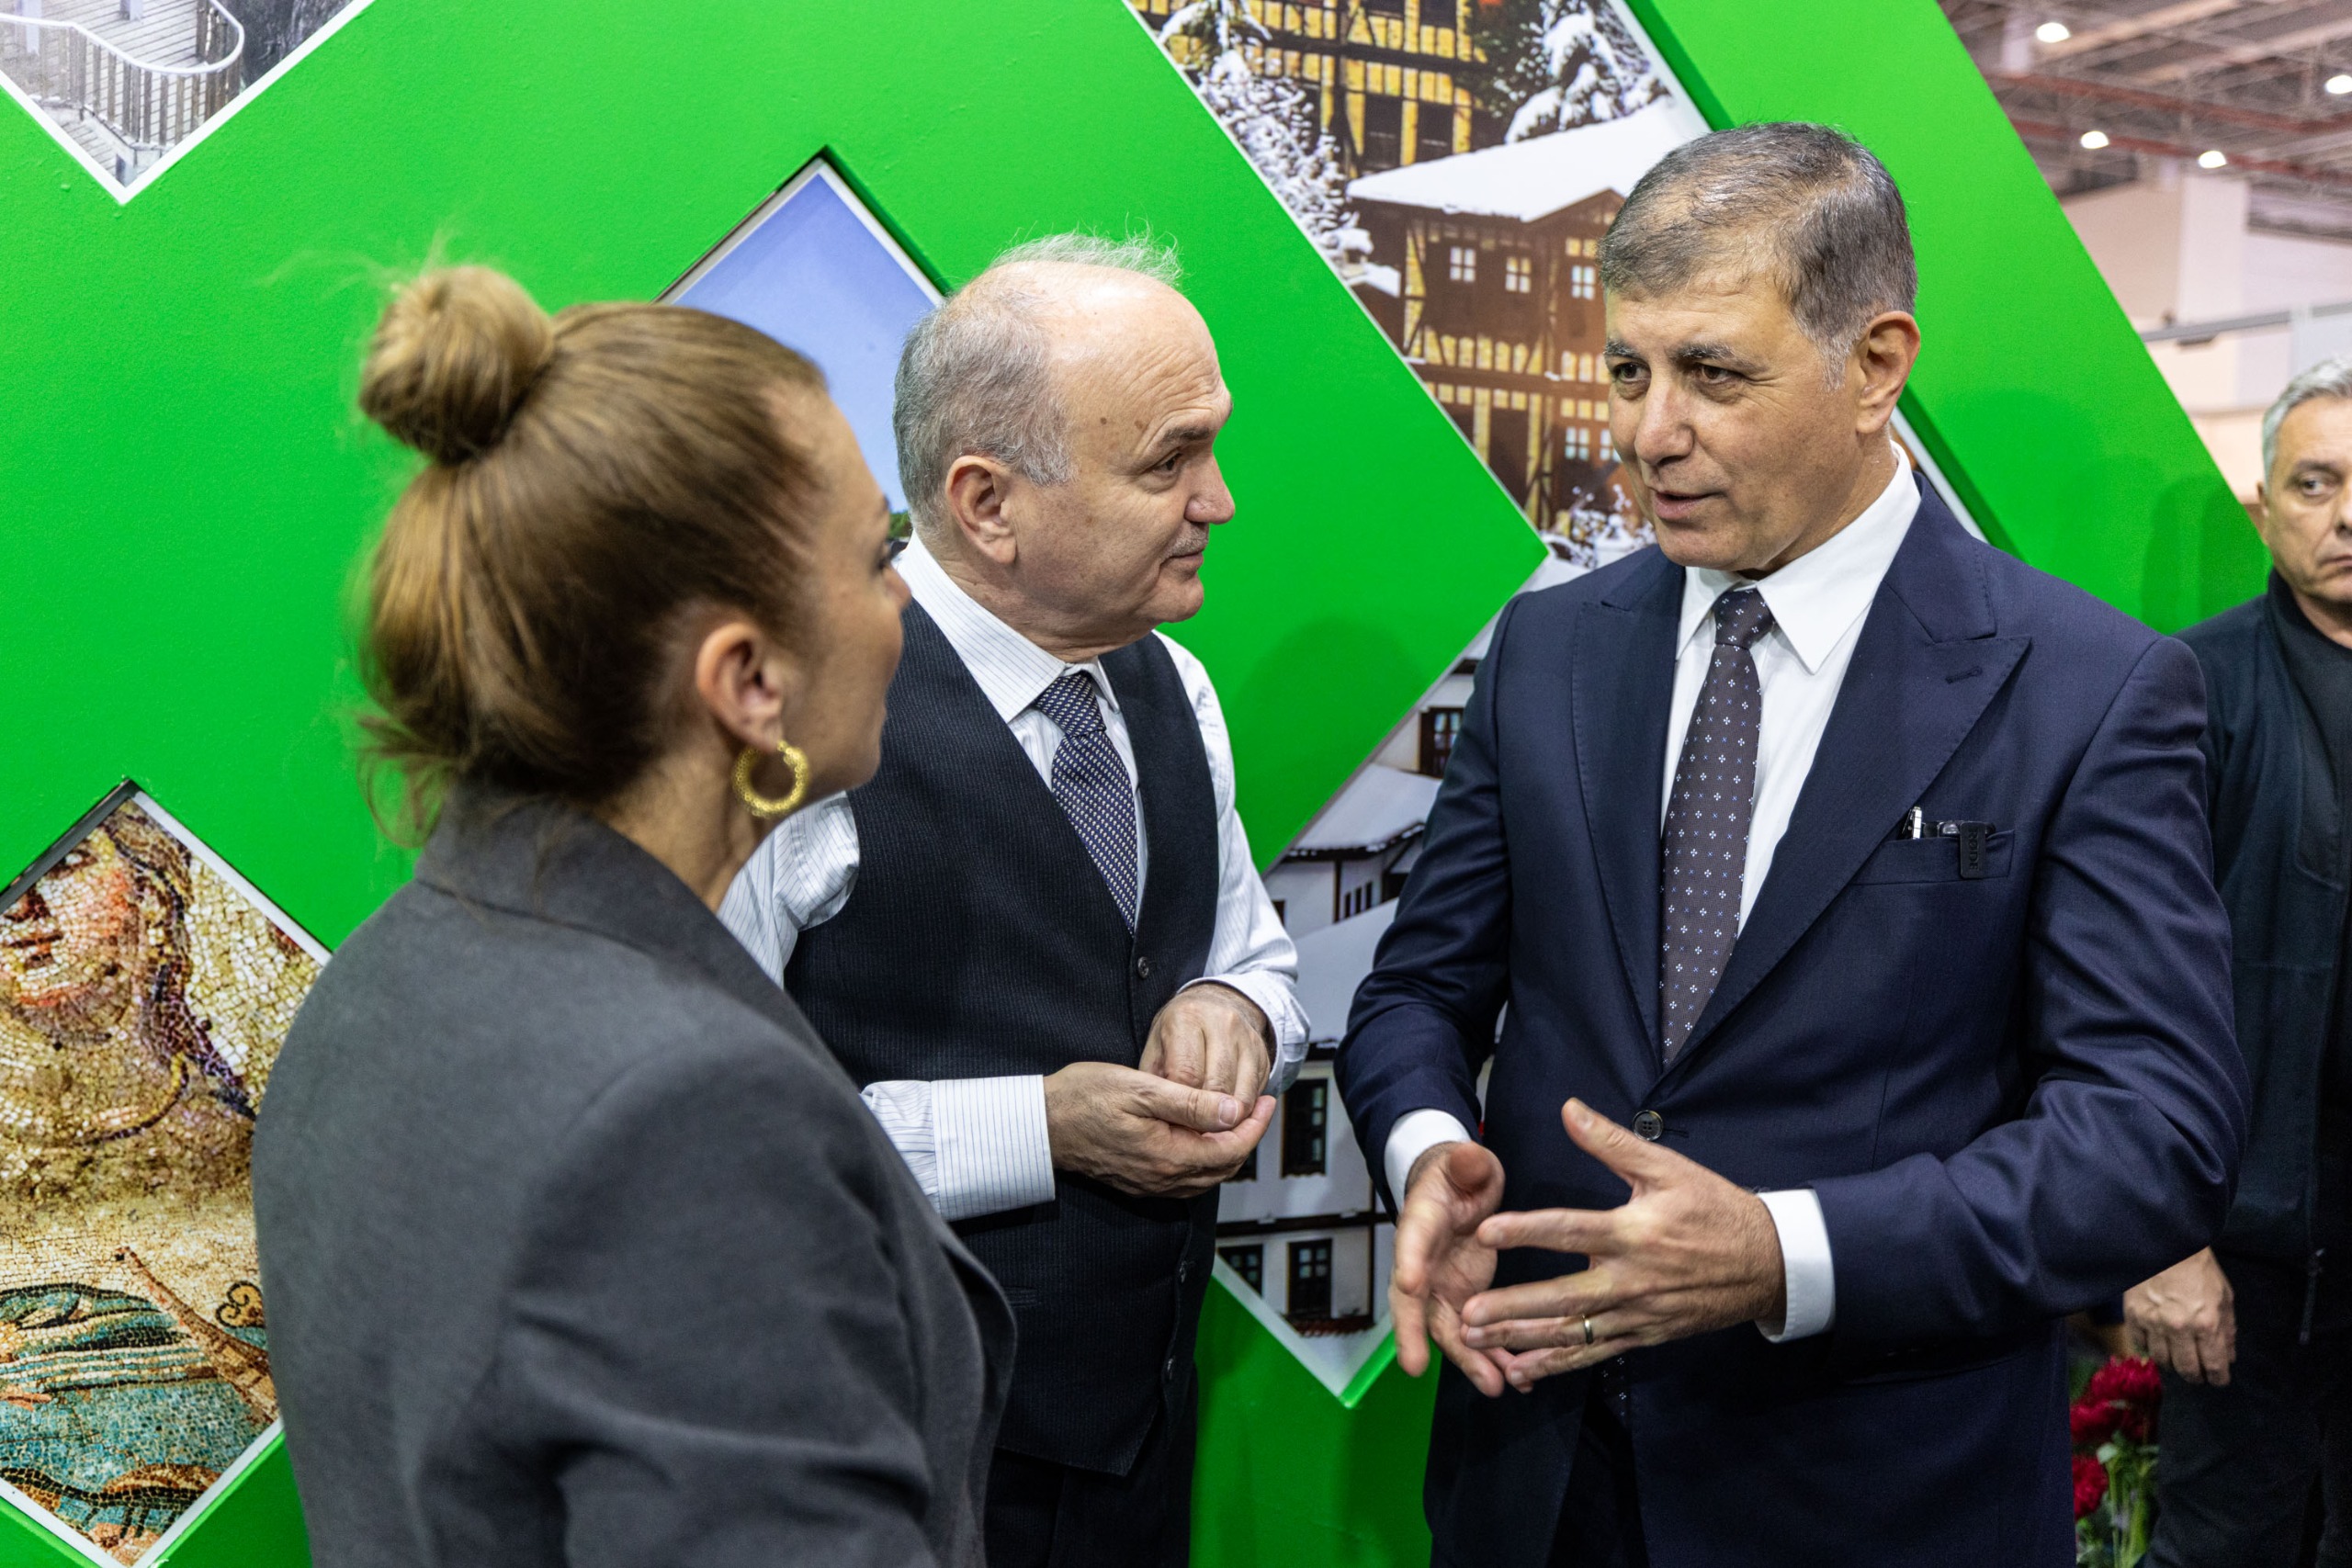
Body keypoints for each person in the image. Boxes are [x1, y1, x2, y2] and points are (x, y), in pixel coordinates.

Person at [1335, 122, 2245, 1567]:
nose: (1649, 433)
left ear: (1877, 365)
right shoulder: (1550, 652)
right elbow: (1418, 993)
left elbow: (2153, 1137)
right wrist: (1431, 1145)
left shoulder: (2088, 689)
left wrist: (1784, 1253)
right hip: (1540, 1484)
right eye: (1628, 371)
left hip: (1877, 1497)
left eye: (1714, 375)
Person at [252, 265, 1012, 1568]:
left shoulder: (378, 983)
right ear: (748, 681)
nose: (905, 600)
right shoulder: (691, 1116)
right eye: (879, 555)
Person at [723, 233, 1303, 1568]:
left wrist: (1234, 1008)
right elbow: (708, 1153)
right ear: (987, 503)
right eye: (1169, 461)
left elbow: (1257, 958)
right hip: (884, 1482)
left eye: (1212, 446)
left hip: (1139, 1467)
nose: (1219, 501)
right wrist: (1039, 1130)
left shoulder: (1176, 689)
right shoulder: (785, 722)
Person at [2140, 357, 2352, 1568]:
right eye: (2316, 484)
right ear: (2264, 509)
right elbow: (2119, 994)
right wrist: (2160, 1241)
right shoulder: (2186, 689)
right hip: (2240, 1248)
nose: (2349, 516)